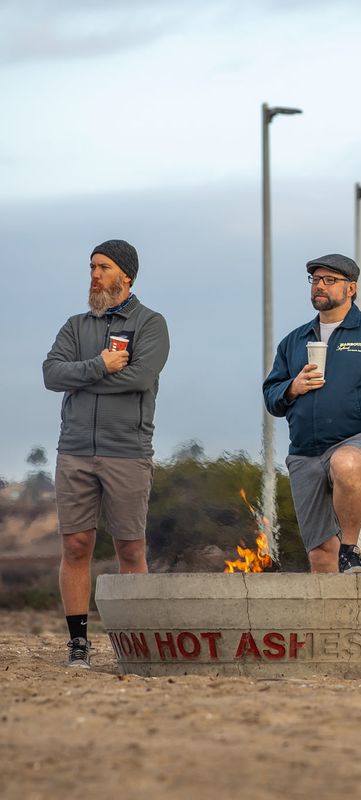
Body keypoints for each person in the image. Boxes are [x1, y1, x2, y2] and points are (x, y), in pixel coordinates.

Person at [43, 239, 170, 669]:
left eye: (103, 267)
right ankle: (78, 644)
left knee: (130, 549)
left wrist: (80, 378)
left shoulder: (151, 324)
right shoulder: (74, 326)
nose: (94, 274)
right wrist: (99, 365)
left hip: (127, 452)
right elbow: (51, 373)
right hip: (74, 451)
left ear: (126, 276)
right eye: (92, 267)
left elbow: (139, 379)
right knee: (76, 545)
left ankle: (134, 643)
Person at [263, 254, 361, 574]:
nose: (319, 286)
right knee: (322, 554)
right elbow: (272, 397)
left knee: (345, 462)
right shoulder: (294, 341)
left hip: (359, 442)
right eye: (315, 280)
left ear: (351, 288)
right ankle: (340, 622)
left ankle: (351, 548)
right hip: (305, 452)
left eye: (329, 280)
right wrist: (292, 388)